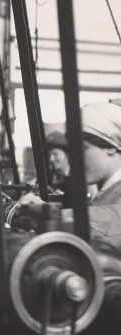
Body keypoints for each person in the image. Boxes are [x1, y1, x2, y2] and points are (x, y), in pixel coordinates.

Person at [18, 103, 121, 251]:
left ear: (111, 147)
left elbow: (114, 218)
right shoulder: (105, 192)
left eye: (83, 148)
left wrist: (50, 213)